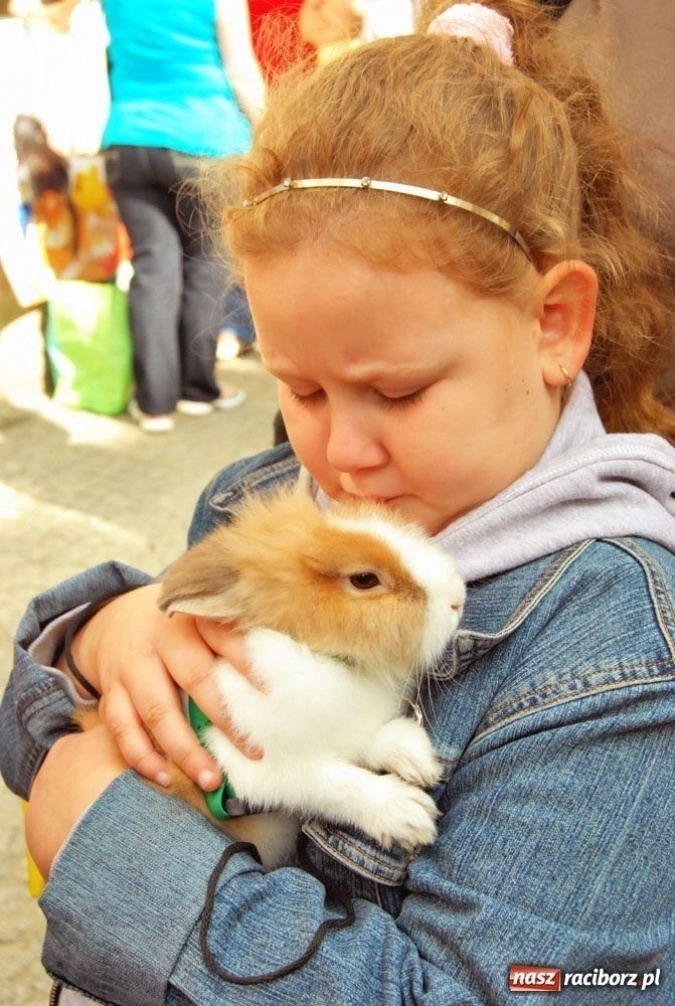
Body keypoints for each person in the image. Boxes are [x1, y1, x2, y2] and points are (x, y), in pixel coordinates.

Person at [2, 1, 675, 1002]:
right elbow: (43, 707)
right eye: (301, 390)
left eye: (397, 392)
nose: (342, 452)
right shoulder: (270, 495)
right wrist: (100, 635)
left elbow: (509, 985)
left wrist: (112, 855)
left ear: (554, 325)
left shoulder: (614, 641)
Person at [99, 0, 266, 432]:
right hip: (205, 138)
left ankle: (154, 403)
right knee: (207, 265)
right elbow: (241, 72)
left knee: (153, 267)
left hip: (129, 138)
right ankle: (198, 390)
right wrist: (267, 131)